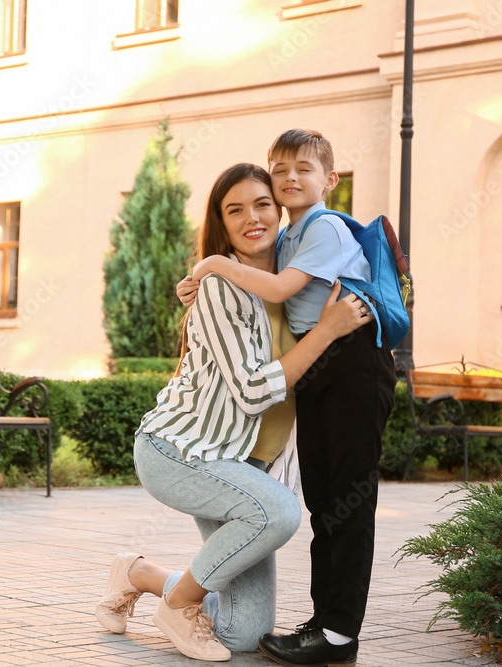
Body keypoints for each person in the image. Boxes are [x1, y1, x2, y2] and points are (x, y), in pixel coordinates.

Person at [95, 163, 367, 662]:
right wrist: (328, 332)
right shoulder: (222, 288)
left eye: (262, 204)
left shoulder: (292, 280)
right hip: (181, 450)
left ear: (280, 210)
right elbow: (251, 389)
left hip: (240, 465)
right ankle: (178, 604)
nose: (252, 218)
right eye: (235, 210)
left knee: (243, 633)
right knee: (280, 512)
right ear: (222, 223)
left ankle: (137, 573)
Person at [186, 130, 396, 667]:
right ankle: (324, 622)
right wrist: (195, 286)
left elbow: (277, 291)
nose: (290, 178)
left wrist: (210, 263)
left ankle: (340, 635)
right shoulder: (287, 237)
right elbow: (255, 279)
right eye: (279, 170)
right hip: (320, 367)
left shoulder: (323, 227)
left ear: (330, 180)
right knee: (325, 501)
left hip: (353, 362)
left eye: (303, 168)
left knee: (349, 502)